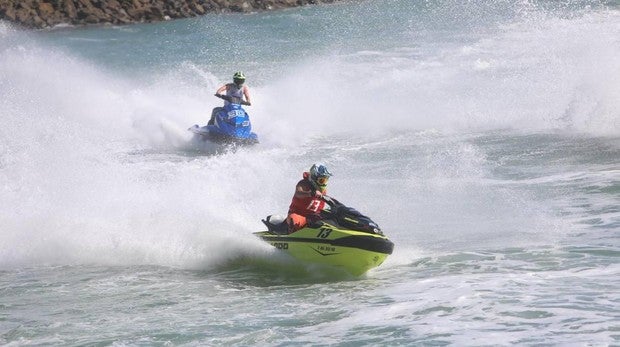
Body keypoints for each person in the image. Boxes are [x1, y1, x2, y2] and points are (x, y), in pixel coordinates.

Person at [286, 163, 333, 233]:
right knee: (295, 223)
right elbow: (298, 193)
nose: (323, 183)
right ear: (314, 178)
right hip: (298, 214)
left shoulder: (323, 190)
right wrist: (311, 193)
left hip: (314, 217)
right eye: (322, 180)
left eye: (325, 180)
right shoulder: (303, 184)